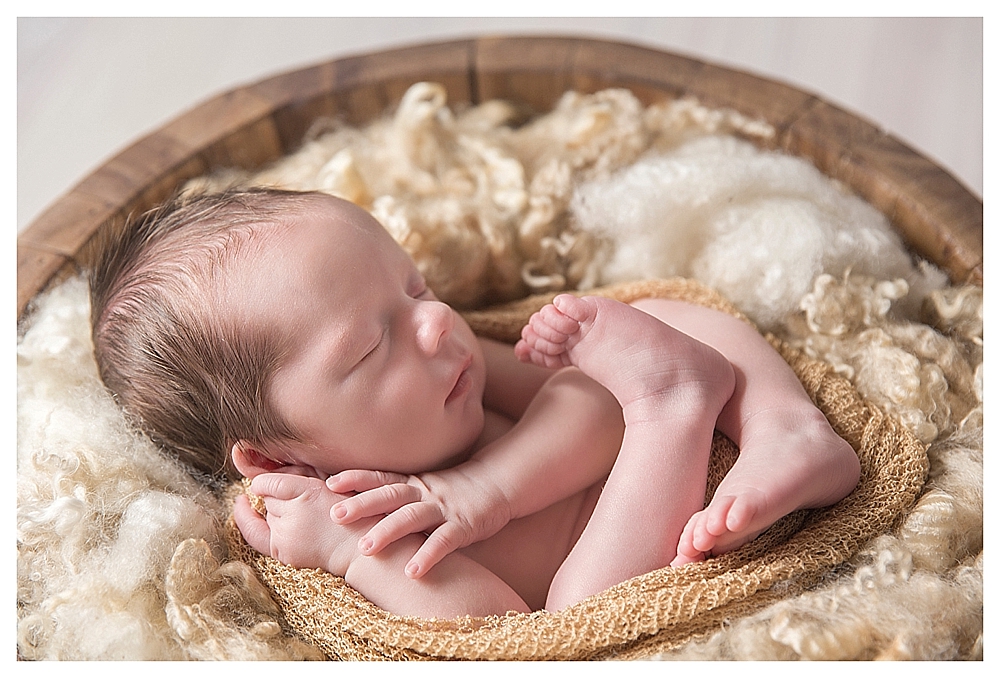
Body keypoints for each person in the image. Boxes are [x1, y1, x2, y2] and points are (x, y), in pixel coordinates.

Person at [90, 187, 860, 619]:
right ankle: (677, 403)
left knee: (664, 314)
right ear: (277, 458)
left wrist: (485, 487)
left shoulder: (452, 363)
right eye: (368, 348)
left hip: (687, 444)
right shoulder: (349, 520)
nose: (432, 323)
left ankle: (786, 429)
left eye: (414, 285)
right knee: (582, 608)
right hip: (645, 540)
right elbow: (496, 633)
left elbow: (587, 394)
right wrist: (345, 552)